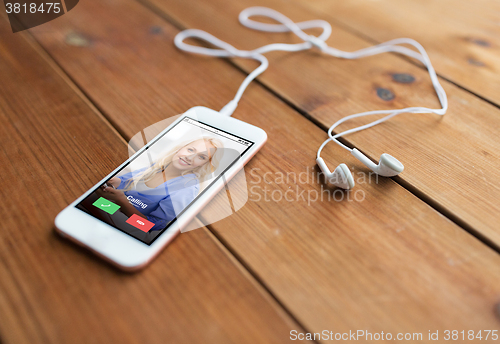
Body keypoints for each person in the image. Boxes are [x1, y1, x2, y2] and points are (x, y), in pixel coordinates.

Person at [96, 137, 223, 231]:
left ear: (205, 164)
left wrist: (122, 202)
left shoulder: (186, 189)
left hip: (131, 225)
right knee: (93, 196)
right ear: (180, 148)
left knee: (93, 201)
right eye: (190, 149)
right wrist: (116, 182)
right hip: (114, 210)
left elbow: (147, 226)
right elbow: (125, 182)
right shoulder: (159, 166)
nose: (189, 157)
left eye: (201, 157)